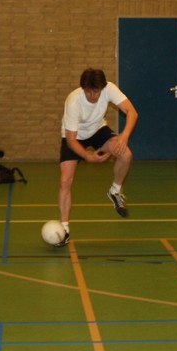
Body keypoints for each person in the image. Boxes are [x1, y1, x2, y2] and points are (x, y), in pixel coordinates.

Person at [57, 68, 138, 246]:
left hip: (98, 130)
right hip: (74, 136)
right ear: (83, 88)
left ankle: (115, 191)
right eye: (89, 92)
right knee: (65, 181)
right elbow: (71, 140)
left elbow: (132, 112)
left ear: (103, 88)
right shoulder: (74, 101)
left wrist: (124, 136)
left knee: (126, 155)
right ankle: (64, 229)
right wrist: (87, 156)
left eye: (97, 91)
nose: (93, 96)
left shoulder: (109, 88)